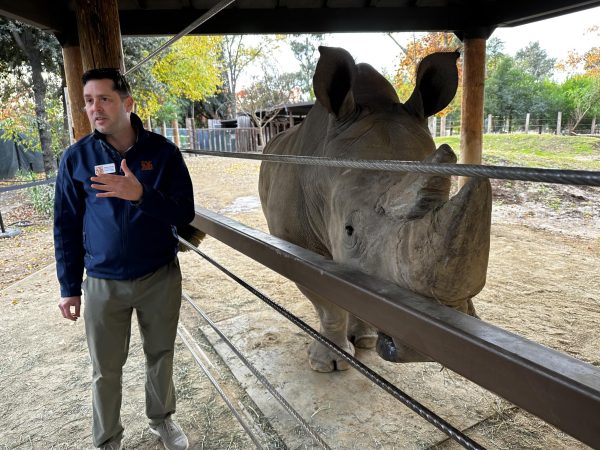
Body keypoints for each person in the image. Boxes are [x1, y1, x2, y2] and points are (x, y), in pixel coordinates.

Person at [54, 67, 194, 450]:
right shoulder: (76, 159)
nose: (94, 108)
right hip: (102, 282)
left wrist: (140, 195)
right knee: (105, 369)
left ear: (127, 103)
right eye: (88, 100)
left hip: (158, 275)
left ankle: (161, 420)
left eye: (104, 99)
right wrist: (69, 287)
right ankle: (108, 439)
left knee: (161, 353)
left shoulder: (163, 154)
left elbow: (184, 212)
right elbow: (65, 226)